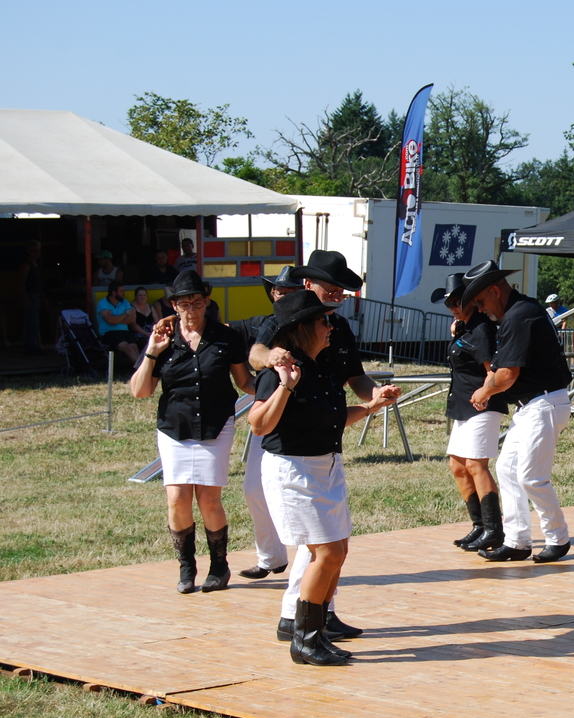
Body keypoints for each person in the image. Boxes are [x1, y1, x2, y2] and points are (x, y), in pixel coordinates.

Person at [248, 250, 401, 643]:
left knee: (332, 547)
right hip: (293, 455)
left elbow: (353, 381)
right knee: (322, 548)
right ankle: (302, 628)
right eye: (330, 288)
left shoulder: (334, 337)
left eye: (341, 291)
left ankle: (315, 619)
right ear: (307, 285)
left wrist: (373, 400)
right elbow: (256, 361)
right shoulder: (284, 333)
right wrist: (278, 366)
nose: (336, 298)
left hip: (323, 448)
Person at [129, 271, 254, 594]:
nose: (191, 310)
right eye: (184, 304)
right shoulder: (164, 338)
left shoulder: (225, 337)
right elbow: (140, 391)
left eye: (197, 303)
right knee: (177, 498)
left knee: (209, 499)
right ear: (174, 305)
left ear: (207, 302)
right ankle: (187, 566)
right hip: (175, 427)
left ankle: (219, 566)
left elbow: (244, 381)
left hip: (216, 424)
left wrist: (278, 387)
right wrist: (152, 350)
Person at [463, 260, 573, 563]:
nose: (480, 308)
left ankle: (558, 538)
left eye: (480, 301)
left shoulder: (519, 316)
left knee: (531, 477)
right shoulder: (519, 311)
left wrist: (484, 392)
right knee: (507, 470)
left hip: (544, 403)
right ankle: (517, 542)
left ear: (495, 291)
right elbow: (503, 369)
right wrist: (489, 385)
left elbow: (507, 375)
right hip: (533, 405)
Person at [226, 267, 305, 581]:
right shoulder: (263, 324)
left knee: (303, 494)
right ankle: (271, 557)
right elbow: (250, 348)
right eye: (278, 291)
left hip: (303, 415)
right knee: (253, 489)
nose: (282, 296)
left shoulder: (312, 326)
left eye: (290, 292)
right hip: (268, 412)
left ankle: (312, 559)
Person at [433, 273, 506, 553]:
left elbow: (492, 371)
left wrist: (485, 394)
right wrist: (458, 329)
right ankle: (479, 525)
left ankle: (493, 530)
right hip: (463, 405)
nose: (453, 307)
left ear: (472, 301)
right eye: (449, 304)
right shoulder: (465, 328)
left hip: (482, 405)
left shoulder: (482, 329)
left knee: (476, 465)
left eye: (457, 302)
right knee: (457, 465)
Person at [97, 280, 142, 365]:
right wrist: (125, 314)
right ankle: (143, 369)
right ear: (113, 293)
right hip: (109, 333)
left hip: (125, 332)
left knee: (134, 348)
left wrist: (114, 318)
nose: (124, 293)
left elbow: (132, 319)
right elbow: (110, 321)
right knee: (129, 349)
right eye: (121, 291)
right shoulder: (102, 303)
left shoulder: (125, 302)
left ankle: (142, 368)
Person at [19, 240, 45, 355]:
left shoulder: (36, 265)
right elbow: (21, 283)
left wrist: (43, 297)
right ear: (29, 251)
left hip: (36, 296)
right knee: (32, 323)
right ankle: (29, 347)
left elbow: (37, 284)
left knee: (35, 323)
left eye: (39, 250)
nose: (38, 253)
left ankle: (33, 345)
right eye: (35, 250)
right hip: (30, 296)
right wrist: (25, 299)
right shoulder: (26, 265)